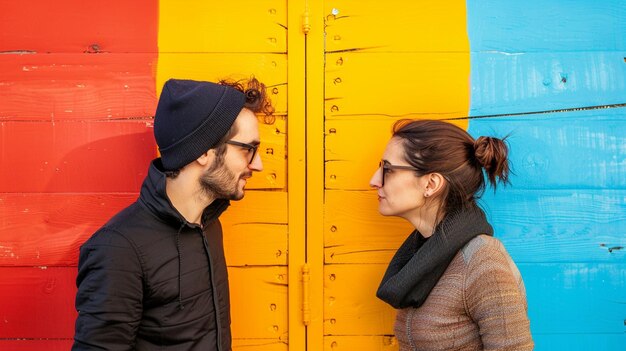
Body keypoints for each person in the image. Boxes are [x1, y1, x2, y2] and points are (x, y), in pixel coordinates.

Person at [73, 77, 272, 350]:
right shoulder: (119, 249)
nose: (257, 164)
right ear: (204, 152)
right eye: (249, 150)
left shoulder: (208, 224)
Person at [370, 119, 533, 350]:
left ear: (431, 183)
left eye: (387, 169)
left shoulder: (483, 261)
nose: (374, 181)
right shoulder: (423, 254)